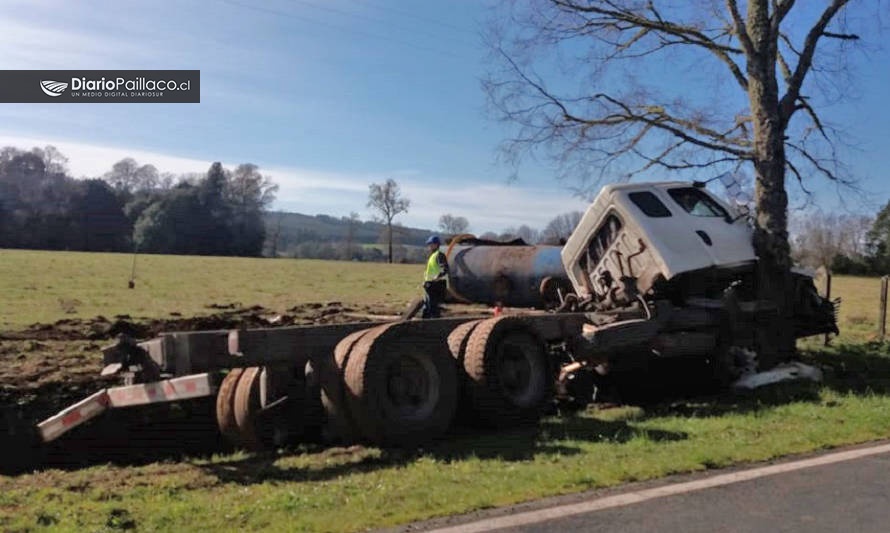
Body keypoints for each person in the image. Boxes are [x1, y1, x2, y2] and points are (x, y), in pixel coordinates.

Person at [421, 235, 449, 318]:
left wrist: (437, 277)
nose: (429, 246)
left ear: (436, 245)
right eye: (429, 244)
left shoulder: (439, 255)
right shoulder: (432, 256)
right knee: (427, 308)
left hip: (436, 285)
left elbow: (445, 269)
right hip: (429, 284)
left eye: (431, 244)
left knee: (433, 308)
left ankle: (433, 325)